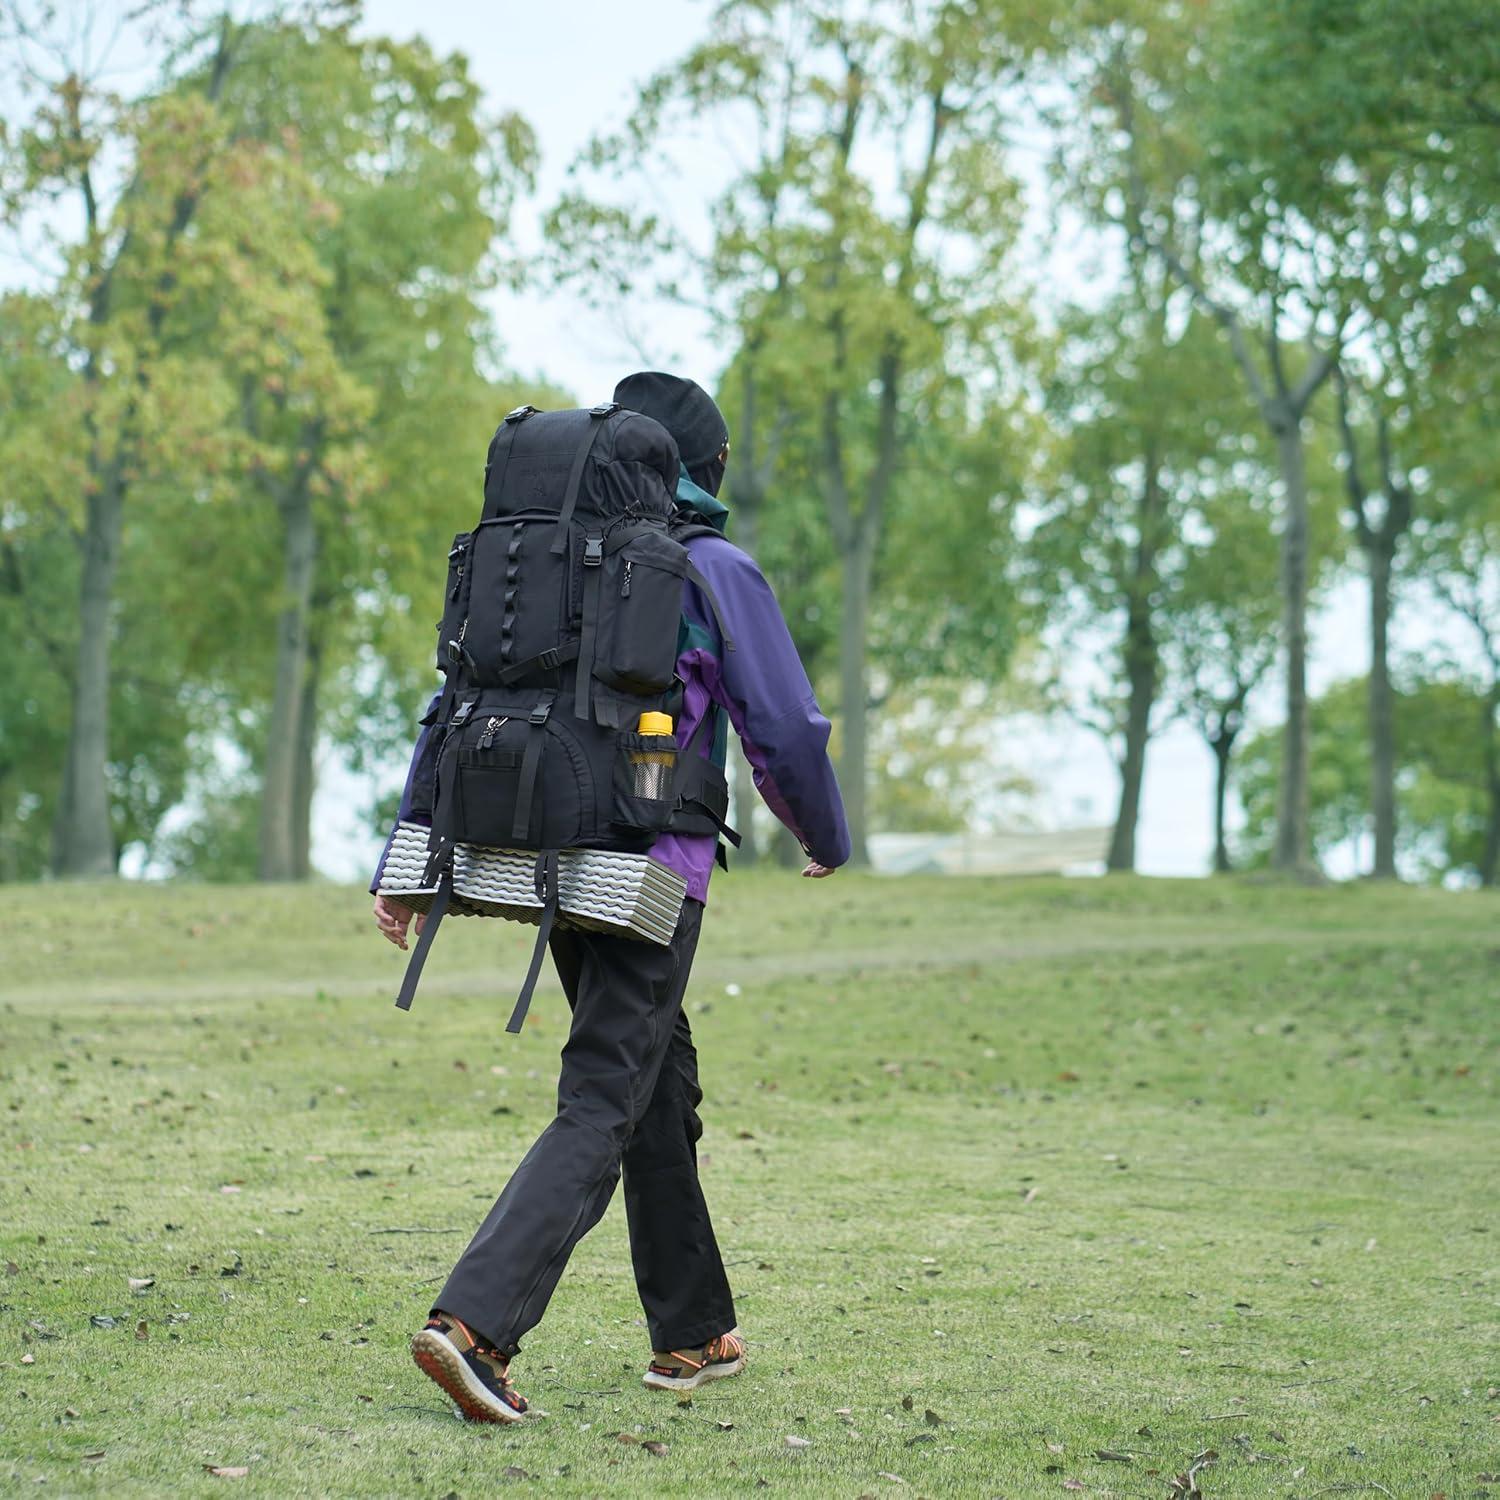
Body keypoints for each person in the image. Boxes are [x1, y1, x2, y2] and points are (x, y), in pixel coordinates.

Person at [369, 372, 851, 1424]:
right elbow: (787, 726)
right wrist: (825, 832)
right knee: (605, 1090)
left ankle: (691, 1333)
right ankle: (473, 1326)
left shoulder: (554, 564)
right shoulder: (710, 566)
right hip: (649, 873)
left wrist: (403, 856)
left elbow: (456, 695)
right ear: (705, 472)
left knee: (651, 1084)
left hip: (543, 854)